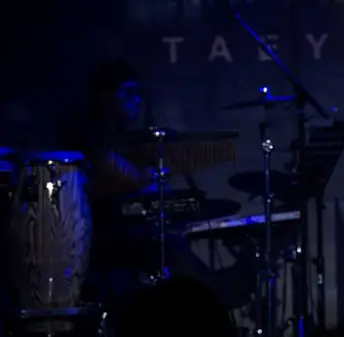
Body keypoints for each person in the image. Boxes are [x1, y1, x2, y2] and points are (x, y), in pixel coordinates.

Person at [56, 60, 225, 308]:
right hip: (97, 236)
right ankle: (217, 295)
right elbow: (126, 177)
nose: (136, 101)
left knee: (171, 244)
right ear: (103, 96)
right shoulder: (90, 135)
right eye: (128, 93)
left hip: (124, 230)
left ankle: (212, 294)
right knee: (169, 248)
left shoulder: (125, 138)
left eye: (138, 94)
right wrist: (152, 177)